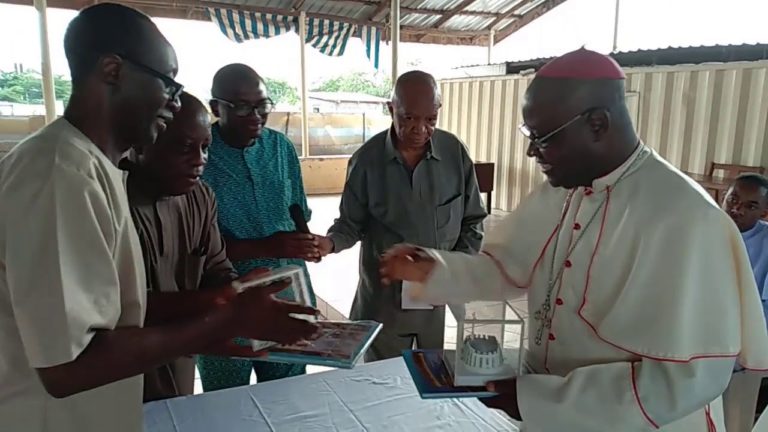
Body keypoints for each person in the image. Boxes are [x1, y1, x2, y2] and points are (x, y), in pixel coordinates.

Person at [380, 49, 768, 431]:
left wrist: (538, 399)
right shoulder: (563, 186)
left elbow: (688, 378)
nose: (532, 151)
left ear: (597, 124)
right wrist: (435, 268)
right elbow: (506, 267)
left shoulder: (687, 219)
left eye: (542, 137)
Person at [0, 5, 318, 432]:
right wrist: (226, 319)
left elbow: (114, 317)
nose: (173, 102)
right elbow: (67, 367)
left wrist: (221, 315)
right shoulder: (60, 173)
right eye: (168, 83)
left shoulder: (94, 169)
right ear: (112, 70)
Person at [318, 70, 487, 361]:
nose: (420, 129)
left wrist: (452, 270)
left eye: (430, 120)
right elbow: (350, 223)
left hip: (433, 300)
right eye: (408, 118)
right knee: (382, 383)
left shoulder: (454, 154)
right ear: (391, 109)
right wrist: (330, 244)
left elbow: (472, 222)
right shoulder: (367, 161)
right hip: (383, 302)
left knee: (428, 378)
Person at [122, 92, 256, 401]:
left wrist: (245, 293)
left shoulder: (200, 197)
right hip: (121, 377)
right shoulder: (111, 203)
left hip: (180, 365)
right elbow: (122, 309)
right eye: (184, 147)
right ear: (142, 144)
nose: (200, 160)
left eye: (205, 148)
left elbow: (215, 266)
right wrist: (221, 299)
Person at [197, 63, 321, 390]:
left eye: (262, 105)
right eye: (241, 107)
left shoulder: (280, 148)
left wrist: (302, 242)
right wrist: (267, 247)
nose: (255, 115)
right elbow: (194, 249)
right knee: (225, 405)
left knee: (287, 397)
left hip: (285, 296)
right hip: (225, 305)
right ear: (216, 107)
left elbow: (297, 211)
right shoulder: (198, 154)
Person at [721, 173, 768, 432]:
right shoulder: (702, 229)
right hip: (697, 340)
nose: (737, 209)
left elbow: (764, 312)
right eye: (733, 199)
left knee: (734, 421)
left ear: (764, 213)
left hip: (744, 349)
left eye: (751, 206)